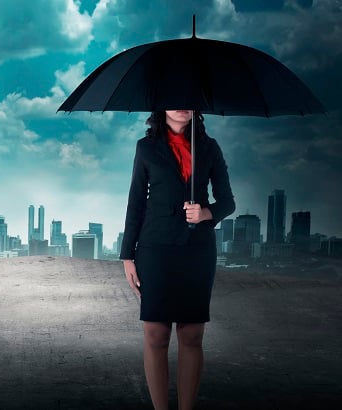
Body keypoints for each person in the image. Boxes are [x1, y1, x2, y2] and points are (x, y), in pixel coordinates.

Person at [119, 110, 235, 410]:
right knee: (156, 333)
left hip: (197, 249)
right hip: (155, 248)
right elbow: (135, 201)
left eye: (188, 98)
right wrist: (127, 256)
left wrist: (206, 213)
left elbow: (227, 201)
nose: (181, 104)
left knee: (192, 333)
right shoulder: (146, 147)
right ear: (160, 105)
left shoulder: (209, 147)